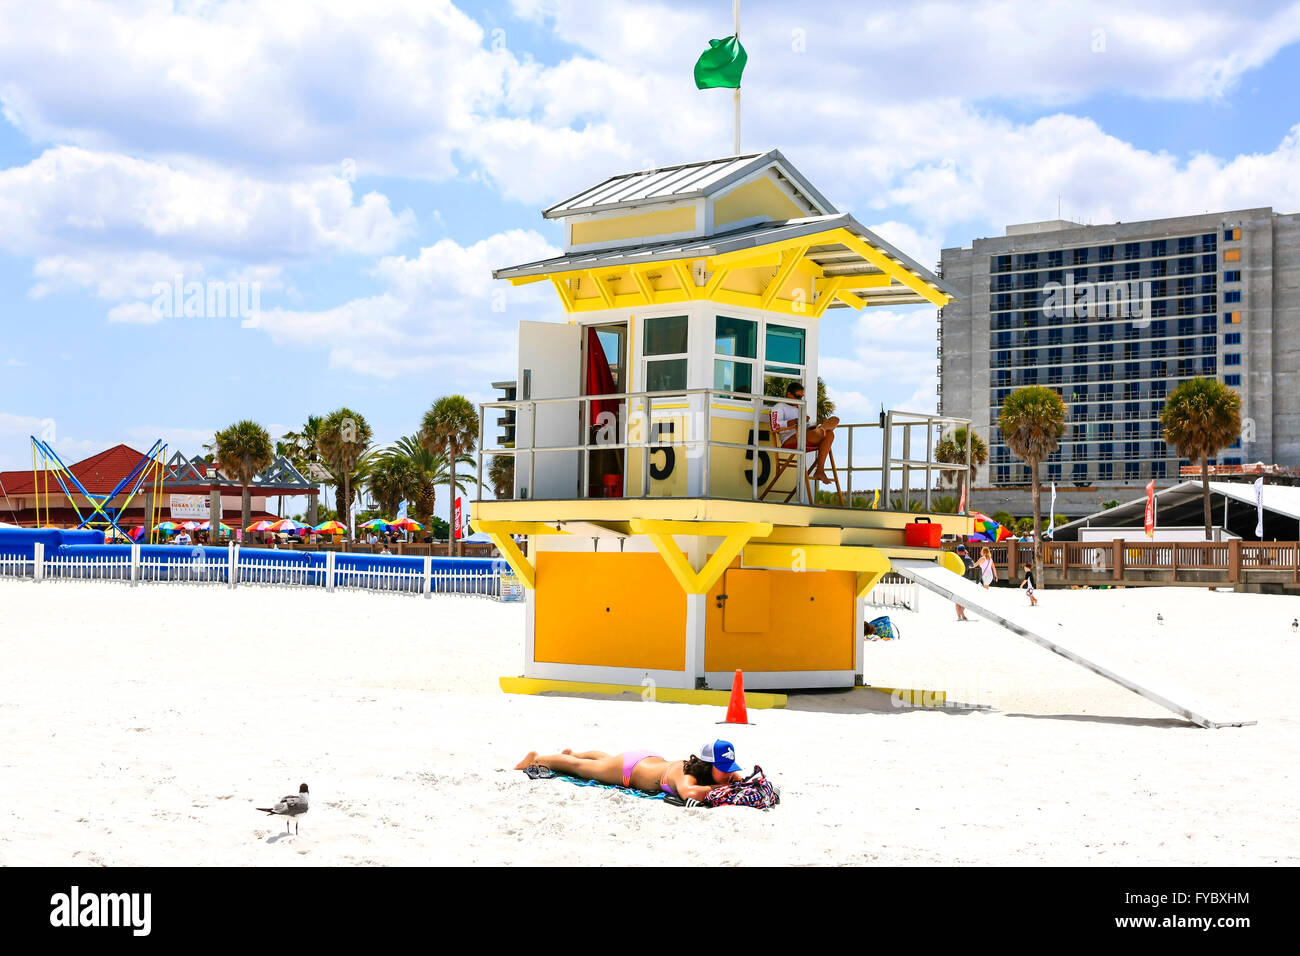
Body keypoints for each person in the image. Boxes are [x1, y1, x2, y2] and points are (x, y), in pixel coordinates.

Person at [514, 738, 744, 801]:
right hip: (630, 770)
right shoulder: (685, 775)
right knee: (582, 769)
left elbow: (738, 780)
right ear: (707, 765)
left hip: (647, 761)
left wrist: (735, 781)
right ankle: (537, 758)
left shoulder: (720, 772)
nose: (728, 774)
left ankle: (573, 752)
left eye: (729, 768)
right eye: (722, 768)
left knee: (604, 761)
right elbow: (690, 793)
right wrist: (723, 788)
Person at [773, 382, 840, 484]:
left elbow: (806, 425)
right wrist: (796, 421)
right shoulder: (779, 406)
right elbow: (775, 426)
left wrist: (813, 423)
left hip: (805, 434)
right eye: (797, 396)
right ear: (789, 395)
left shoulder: (800, 408)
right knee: (827, 434)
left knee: (833, 425)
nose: (799, 399)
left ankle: (820, 469)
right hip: (790, 438)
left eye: (801, 397)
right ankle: (821, 431)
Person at [953, 544, 974, 621]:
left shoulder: (955, 559)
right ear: (964, 551)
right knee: (965, 599)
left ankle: (959, 616)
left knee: (957, 600)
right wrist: (967, 555)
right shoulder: (967, 559)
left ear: (957, 551)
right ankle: (962, 615)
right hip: (965, 581)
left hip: (956, 581)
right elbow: (973, 565)